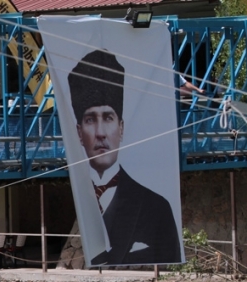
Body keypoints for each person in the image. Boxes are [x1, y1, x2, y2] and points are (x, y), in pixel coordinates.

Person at [67, 49, 182, 266]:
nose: (100, 132)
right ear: (79, 132)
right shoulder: (76, 196)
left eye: (108, 118)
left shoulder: (157, 207)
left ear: (121, 128)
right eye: (90, 120)